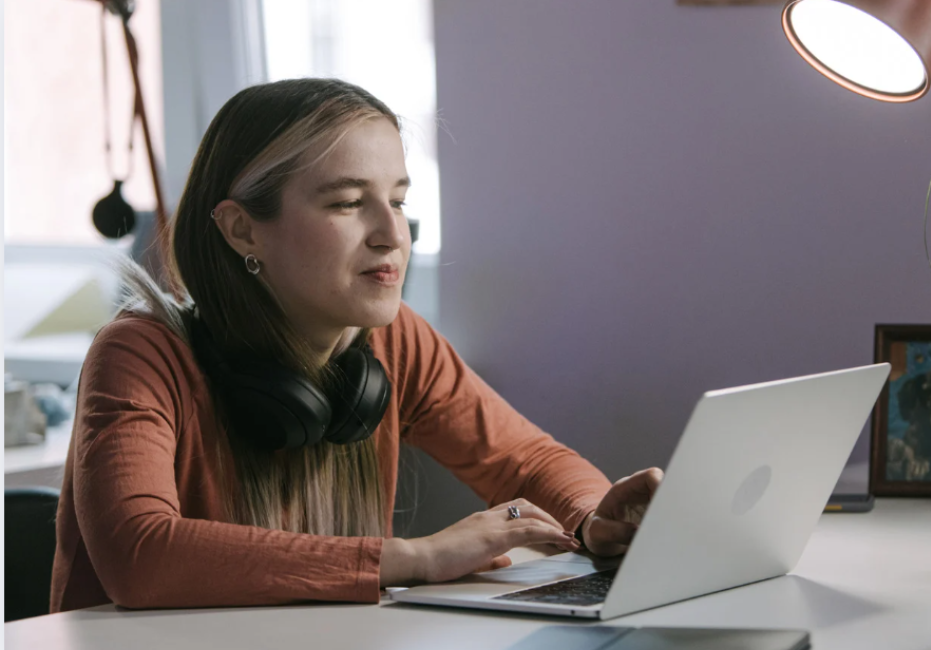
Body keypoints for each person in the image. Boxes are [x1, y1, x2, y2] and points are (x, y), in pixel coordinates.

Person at [49, 78, 663, 613]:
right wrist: (412, 558)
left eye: (397, 200)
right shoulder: (141, 355)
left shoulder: (394, 343)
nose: (393, 234)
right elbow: (141, 555)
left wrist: (593, 517)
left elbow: (527, 461)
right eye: (347, 203)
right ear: (243, 230)